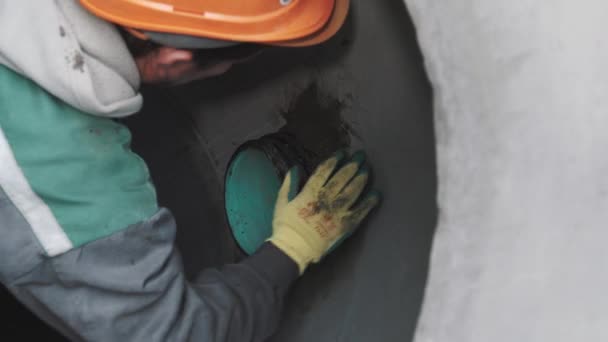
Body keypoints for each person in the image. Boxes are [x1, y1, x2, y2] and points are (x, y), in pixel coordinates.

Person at [0, 1, 379, 341]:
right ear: (174, 61)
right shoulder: (80, 202)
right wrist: (289, 252)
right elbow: (174, 335)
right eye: (231, 62)